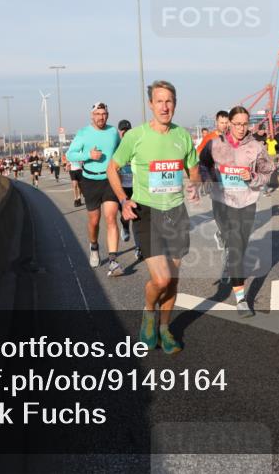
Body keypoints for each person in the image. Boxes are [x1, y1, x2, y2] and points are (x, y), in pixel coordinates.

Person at [108, 80, 200, 354]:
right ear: (151, 104)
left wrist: (194, 183)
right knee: (160, 279)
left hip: (176, 212)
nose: (164, 106)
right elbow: (112, 168)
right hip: (146, 211)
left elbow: (193, 169)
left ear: (175, 103)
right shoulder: (135, 136)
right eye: (159, 101)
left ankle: (165, 328)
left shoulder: (182, 136)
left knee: (172, 279)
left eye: (169, 101)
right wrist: (123, 200)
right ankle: (149, 311)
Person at [199, 106, 275, 317]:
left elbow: (268, 172)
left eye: (245, 124)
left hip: (246, 202)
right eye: (237, 124)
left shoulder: (256, 147)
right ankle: (241, 298)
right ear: (229, 124)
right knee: (235, 246)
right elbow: (202, 164)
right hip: (222, 201)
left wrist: (253, 178)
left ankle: (225, 243)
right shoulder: (215, 144)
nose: (241, 128)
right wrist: (206, 179)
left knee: (239, 246)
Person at [66, 102, 123, 275]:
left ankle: (113, 260)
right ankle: (94, 246)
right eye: (97, 114)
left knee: (111, 217)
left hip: (110, 180)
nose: (101, 117)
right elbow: (70, 154)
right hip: (90, 180)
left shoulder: (113, 132)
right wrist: (88, 155)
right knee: (94, 221)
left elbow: (121, 152)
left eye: (104, 113)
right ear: (92, 116)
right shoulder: (83, 133)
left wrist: (121, 164)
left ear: (108, 114)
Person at [197, 111, 230, 250]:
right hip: (214, 178)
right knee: (219, 209)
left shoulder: (231, 137)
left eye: (226, 122)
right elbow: (199, 154)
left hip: (229, 178)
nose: (224, 125)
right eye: (221, 122)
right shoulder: (209, 138)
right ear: (216, 122)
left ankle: (225, 234)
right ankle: (222, 233)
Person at [115, 119, 141, 261]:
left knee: (137, 218)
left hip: (136, 187)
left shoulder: (136, 144)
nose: (125, 132)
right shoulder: (116, 146)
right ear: (119, 132)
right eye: (123, 130)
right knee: (126, 216)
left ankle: (139, 248)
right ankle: (125, 227)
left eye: (127, 130)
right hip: (122, 188)